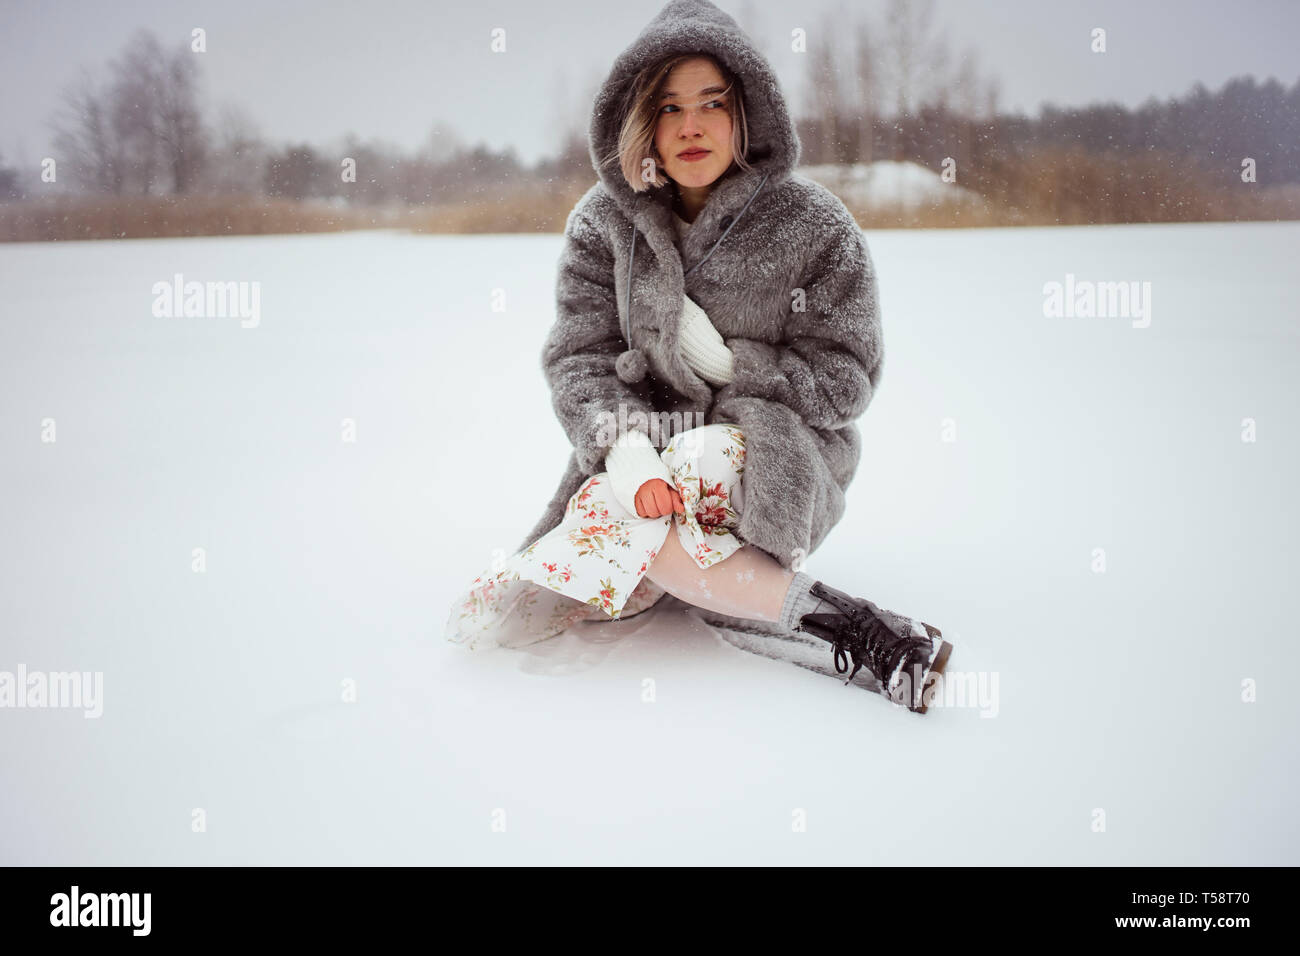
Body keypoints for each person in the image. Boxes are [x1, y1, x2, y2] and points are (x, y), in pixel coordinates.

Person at [444, 0, 952, 712]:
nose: (690, 126)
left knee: (656, 499)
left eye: (712, 104)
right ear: (640, 120)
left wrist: (734, 367)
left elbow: (846, 378)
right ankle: (869, 636)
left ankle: (738, 580)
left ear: (748, 112)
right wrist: (621, 448)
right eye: (670, 106)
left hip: (781, 456)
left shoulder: (813, 225)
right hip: (651, 450)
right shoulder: (603, 224)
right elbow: (579, 357)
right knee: (551, 590)